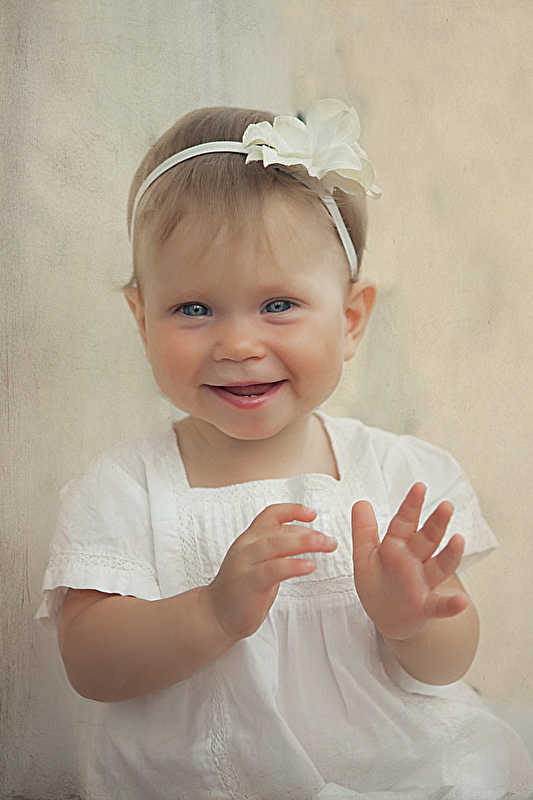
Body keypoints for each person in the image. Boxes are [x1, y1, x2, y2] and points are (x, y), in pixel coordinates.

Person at [37, 100, 533, 799]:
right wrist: (210, 611)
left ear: (350, 320)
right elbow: (90, 665)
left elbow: (448, 664)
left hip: (397, 776)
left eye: (278, 306)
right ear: (142, 319)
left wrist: (410, 622)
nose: (239, 344)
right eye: (193, 309)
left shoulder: (397, 476)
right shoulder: (127, 488)